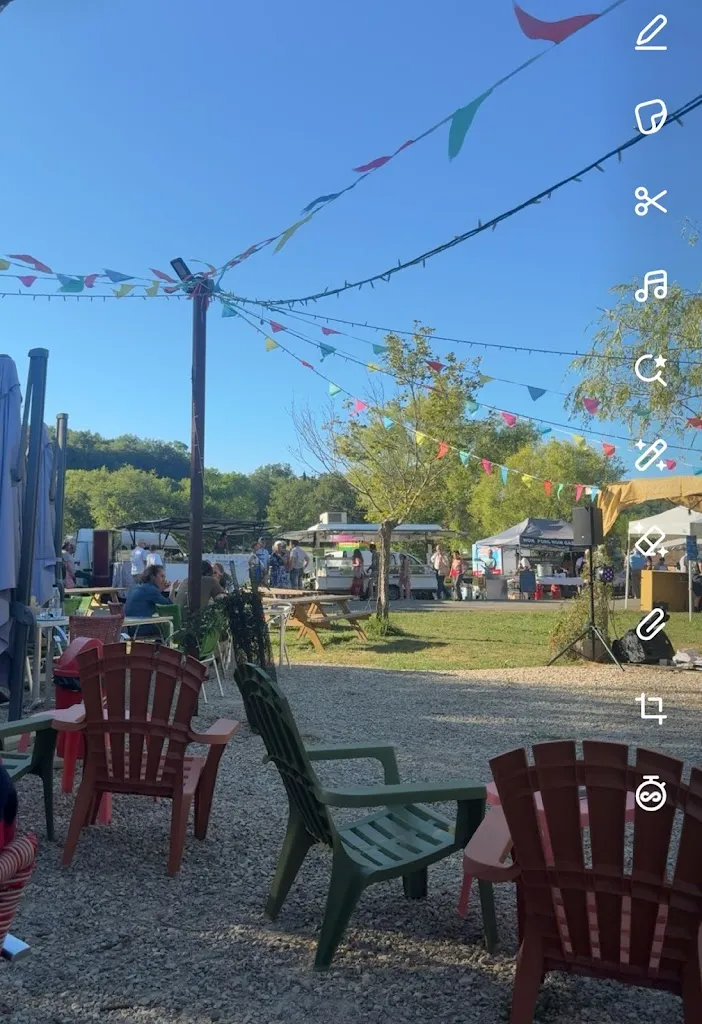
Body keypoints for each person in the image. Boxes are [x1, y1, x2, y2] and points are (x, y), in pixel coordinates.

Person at [124, 564, 173, 637]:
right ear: (153, 577)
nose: (164, 580)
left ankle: (157, 647)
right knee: (169, 626)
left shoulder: (135, 586)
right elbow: (169, 606)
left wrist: (160, 589)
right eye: (161, 576)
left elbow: (149, 598)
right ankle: (163, 647)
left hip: (130, 627)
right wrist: (172, 589)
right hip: (141, 627)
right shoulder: (151, 590)